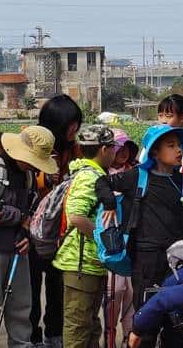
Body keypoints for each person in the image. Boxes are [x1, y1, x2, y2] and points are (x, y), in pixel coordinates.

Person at [96, 124, 183, 347]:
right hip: (147, 260)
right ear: (154, 152)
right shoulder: (137, 177)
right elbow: (102, 182)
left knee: (176, 322)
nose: (179, 150)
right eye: (170, 146)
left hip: (177, 261)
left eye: (179, 145)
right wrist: (110, 203)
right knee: (146, 322)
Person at [0, 125, 57, 348]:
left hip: (19, 248)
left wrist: (27, 233)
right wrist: (19, 217)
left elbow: (32, 210)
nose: (33, 166)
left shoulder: (28, 175)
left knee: (21, 306)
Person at [53, 125, 117, 348]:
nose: (115, 153)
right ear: (103, 149)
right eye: (113, 148)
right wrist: (105, 240)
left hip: (90, 263)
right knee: (78, 326)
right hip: (80, 264)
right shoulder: (90, 177)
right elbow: (77, 216)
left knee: (90, 324)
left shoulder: (89, 173)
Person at [30, 94, 84, 348]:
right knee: (30, 287)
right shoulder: (33, 146)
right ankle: (31, 335)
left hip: (60, 228)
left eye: (76, 124)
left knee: (56, 283)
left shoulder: (73, 149)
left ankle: (54, 333)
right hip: (33, 226)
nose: (74, 129)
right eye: (69, 124)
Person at [103, 129, 139, 348]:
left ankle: (129, 339)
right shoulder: (103, 177)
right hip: (111, 242)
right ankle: (109, 339)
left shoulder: (136, 173)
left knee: (131, 292)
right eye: (118, 148)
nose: (123, 152)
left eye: (126, 148)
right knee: (114, 291)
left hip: (132, 240)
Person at [157, 94, 183, 161]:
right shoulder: (155, 142)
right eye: (160, 116)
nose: (163, 121)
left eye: (168, 116)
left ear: (182, 117)